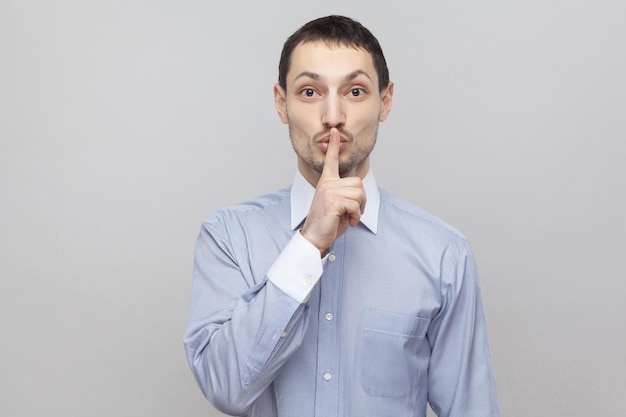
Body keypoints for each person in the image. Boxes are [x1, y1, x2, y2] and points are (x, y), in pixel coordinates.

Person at [184, 15, 500, 417]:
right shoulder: (229, 237)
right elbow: (225, 388)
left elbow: (472, 409)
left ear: (384, 101)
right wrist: (308, 243)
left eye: (354, 91)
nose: (333, 116)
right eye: (310, 91)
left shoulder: (444, 255)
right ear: (282, 104)